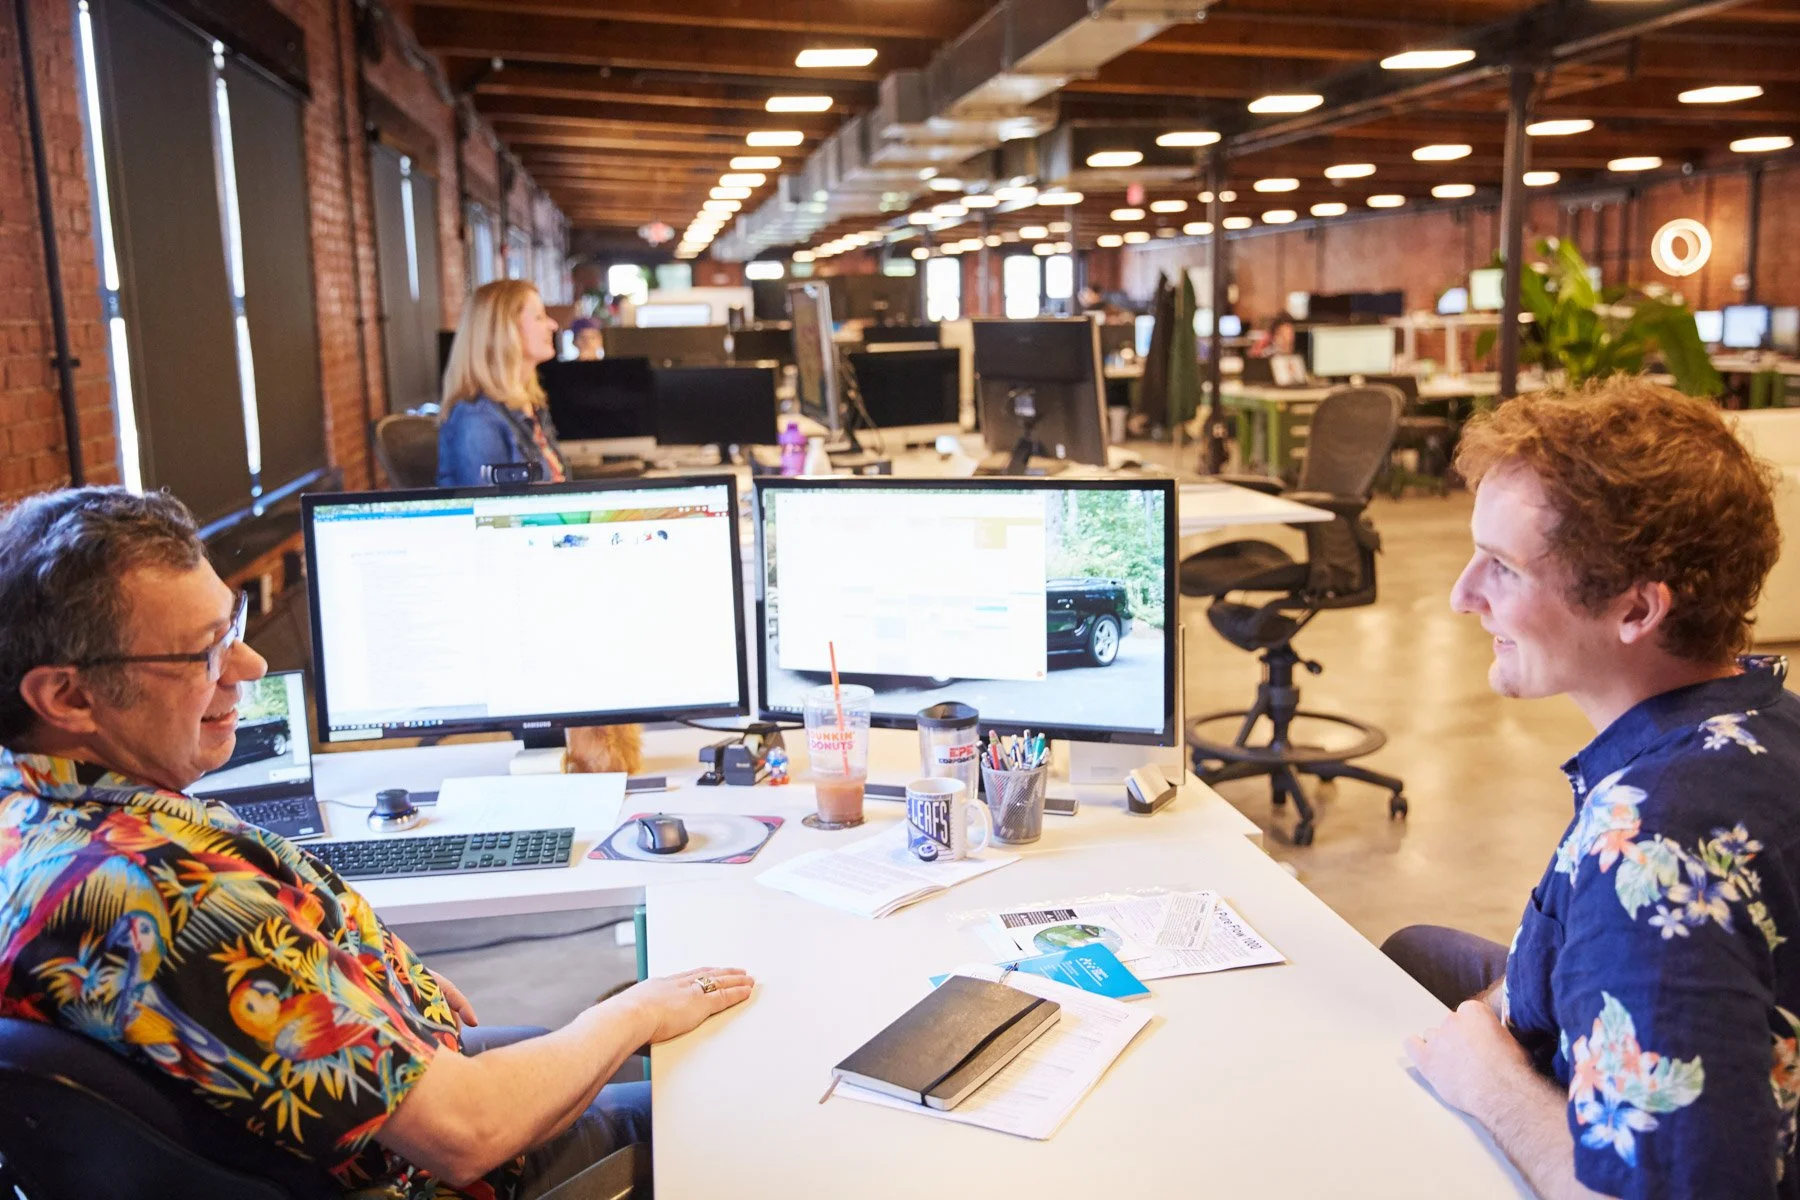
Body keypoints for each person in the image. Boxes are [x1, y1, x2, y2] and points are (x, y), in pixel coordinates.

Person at [0, 487, 754, 1199]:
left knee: (687, 1052)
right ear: (67, 696)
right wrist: (634, 1011)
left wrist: (375, 969)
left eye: (231, 627)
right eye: (202, 654)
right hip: (448, 1168)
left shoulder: (37, 807)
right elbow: (468, 1133)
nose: (251, 667)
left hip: (401, 1085)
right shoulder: (155, 894)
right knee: (741, 1107)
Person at [1386, 379, 1799, 1197]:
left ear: (1636, 609)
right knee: (1412, 952)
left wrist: (1491, 1083)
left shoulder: (1652, 855)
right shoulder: (1763, 715)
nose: (1461, 595)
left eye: (1501, 567)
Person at [438, 280, 568, 487]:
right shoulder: (476, 418)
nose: (552, 325)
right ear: (505, 330)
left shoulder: (530, 404)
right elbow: (489, 513)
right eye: (539, 317)